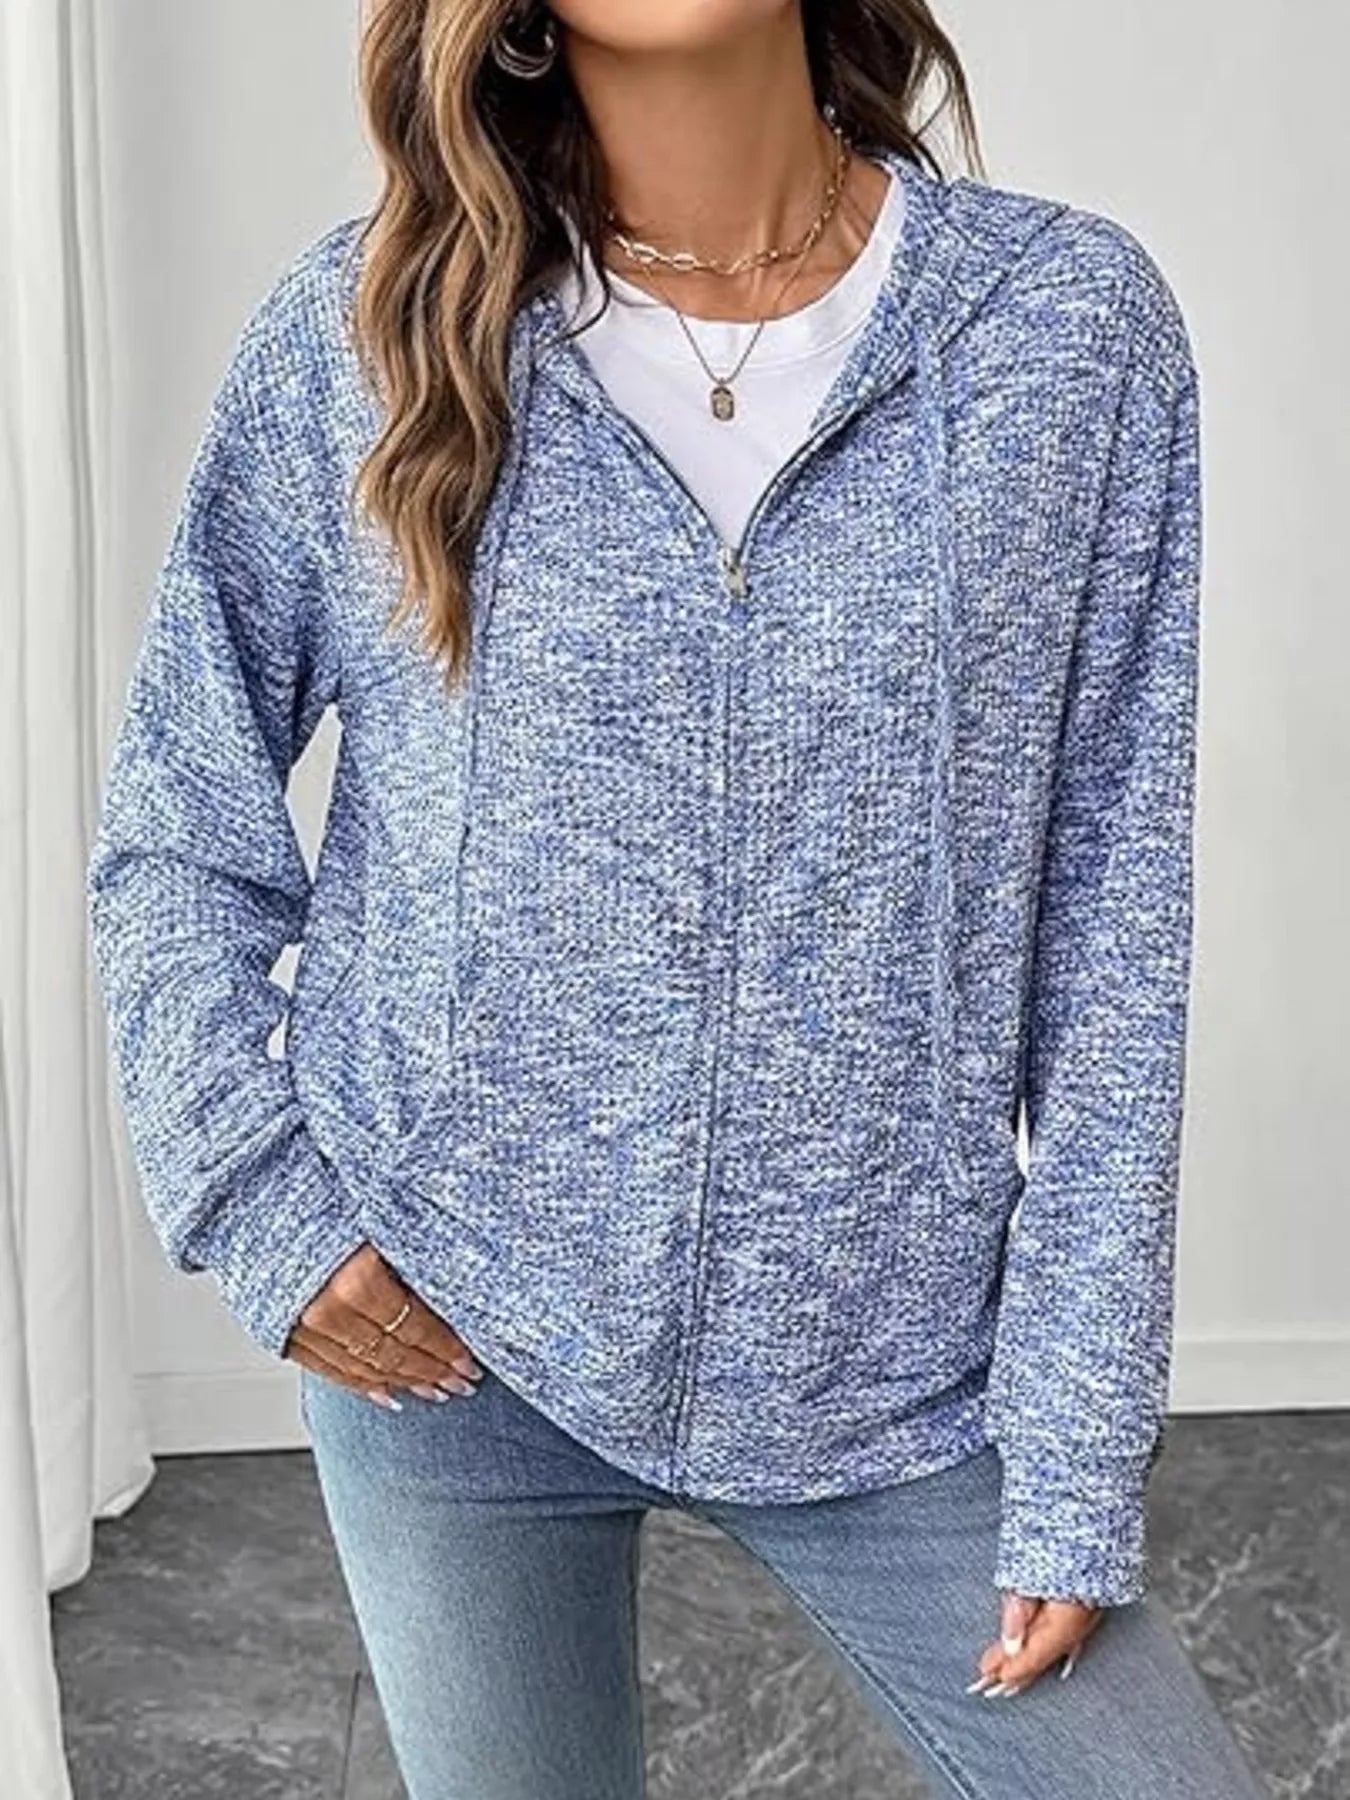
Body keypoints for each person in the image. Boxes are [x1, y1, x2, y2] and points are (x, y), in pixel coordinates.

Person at [85, 2, 1270, 1795]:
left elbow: (1113, 929)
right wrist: (261, 1204)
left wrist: (1077, 1437)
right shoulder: (368, 331)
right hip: (447, 1338)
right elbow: (178, 819)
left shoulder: (1062, 330)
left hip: (895, 1356)